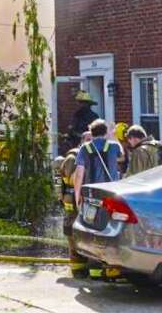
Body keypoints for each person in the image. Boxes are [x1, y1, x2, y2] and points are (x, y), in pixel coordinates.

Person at [73, 119, 122, 280]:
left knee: (92, 231)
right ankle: (111, 270)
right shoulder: (114, 147)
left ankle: (94, 270)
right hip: (111, 196)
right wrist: (113, 135)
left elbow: (79, 174)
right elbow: (122, 158)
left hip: (91, 197)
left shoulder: (85, 149)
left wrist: (77, 196)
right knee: (111, 230)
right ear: (105, 132)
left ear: (91, 133)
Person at [60, 130, 92, 278]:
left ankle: (89, 268)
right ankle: (77, 270)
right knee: (73, 234)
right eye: (88, 139)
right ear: (82, 141)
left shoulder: (92, 156)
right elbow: (70, 179)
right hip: (72, 202)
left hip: (85, 201)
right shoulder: (73, 157)